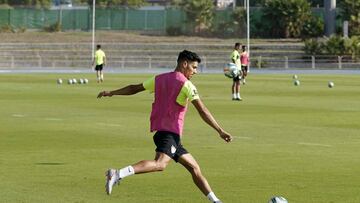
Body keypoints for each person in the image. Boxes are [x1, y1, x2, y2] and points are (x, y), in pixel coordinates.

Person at [97, 50, 233, 203]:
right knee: (160, 164)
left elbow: (134, 88)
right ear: (184, 64)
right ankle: (117, 173)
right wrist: (220, 131)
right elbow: (203, 110)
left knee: (194, 168)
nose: (195, 71)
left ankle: (215, 200)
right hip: (170, 133)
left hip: (164, 133)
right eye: (194, 67)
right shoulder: (187, 85)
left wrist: (112, 92)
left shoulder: (159, 79)